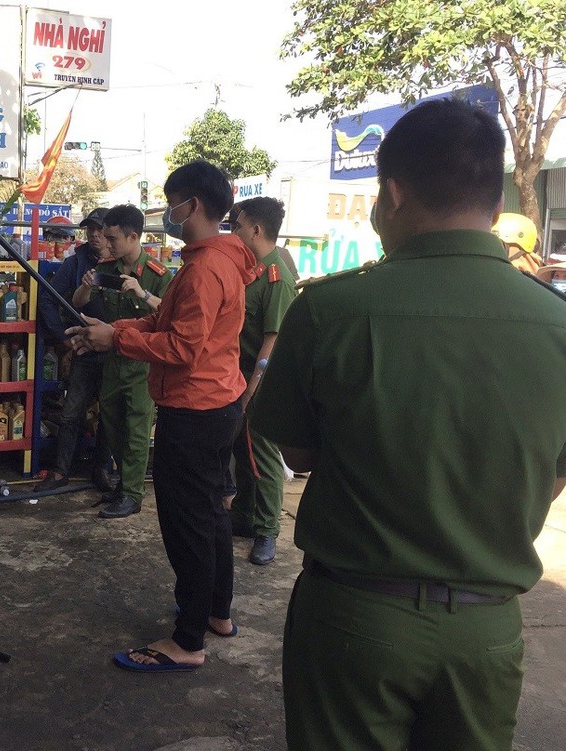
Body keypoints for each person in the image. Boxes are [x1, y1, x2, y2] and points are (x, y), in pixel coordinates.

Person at [252, 99, 566, 750]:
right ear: (492, 193)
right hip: (487, 628)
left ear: (392, 195)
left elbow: (297, 451)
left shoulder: (330, 311)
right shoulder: (558, 325)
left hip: (353, 620)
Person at [67, 161, 256, 669]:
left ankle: (187, 641)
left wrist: (119, 338)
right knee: (213, 512)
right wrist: (114, 329)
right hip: (217, 403)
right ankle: (216, 612)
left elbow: (183, 346)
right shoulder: (220, 257)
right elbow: (166, 321)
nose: (166, 213)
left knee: (187, 522)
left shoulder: (203, 268)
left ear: (191, 205)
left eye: (171, 202)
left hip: (194, 410)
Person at [71, 204, 172, 518]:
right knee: (112, 424)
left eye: (112, 238)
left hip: (142, 363)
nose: (106, 243)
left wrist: (141, 293)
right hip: (113, 357)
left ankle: (132, 494)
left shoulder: (158, 274)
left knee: (137, 429)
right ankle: (123, 485)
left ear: (133, 236)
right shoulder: (108, 268)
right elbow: (77, 303)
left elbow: (170, 316)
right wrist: (86, 286)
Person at [226, 198, 297, 565]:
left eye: (238, 225)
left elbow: (272, 341)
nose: (235, 232)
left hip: (260, 380)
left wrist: (250, 390)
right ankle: (245, 517)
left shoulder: (277, 278)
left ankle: (268, 530)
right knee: (243, 451)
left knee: (263, 456)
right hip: (237, 376)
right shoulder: (251, 271)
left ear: (255, 229)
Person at [33, 207, 116, 494]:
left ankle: (102, 469)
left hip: (115, 348)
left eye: (99, 228)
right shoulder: (76, 262)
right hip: (83, 347)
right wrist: (62, 339)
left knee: (108, 414)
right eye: (90, 228)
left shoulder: (122, 264)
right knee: (71, 412)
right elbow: (48, 299)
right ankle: (60, 471)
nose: (94, 234)